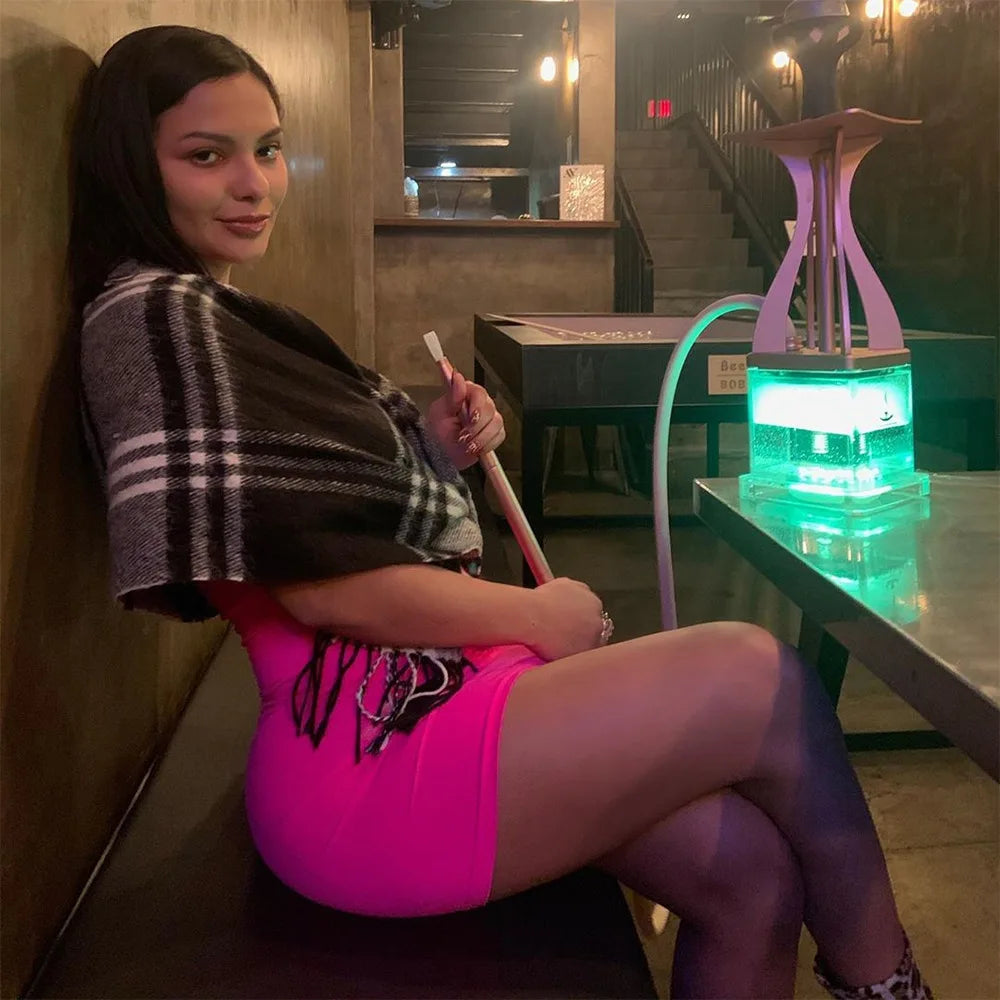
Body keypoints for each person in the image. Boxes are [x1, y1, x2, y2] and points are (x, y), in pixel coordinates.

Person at [70, 26, 933, 1000]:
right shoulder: (153, 320)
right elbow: (318, 588)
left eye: (266, 149)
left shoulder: (214, 317)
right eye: (205, 155)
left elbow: (296, 519)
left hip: (425, 694)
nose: (252, 183)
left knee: (752, 877)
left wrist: (429, 449)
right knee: (761, 677)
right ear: (131, 168)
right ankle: (888, 984)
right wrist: (534, 613)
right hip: (363, 753)